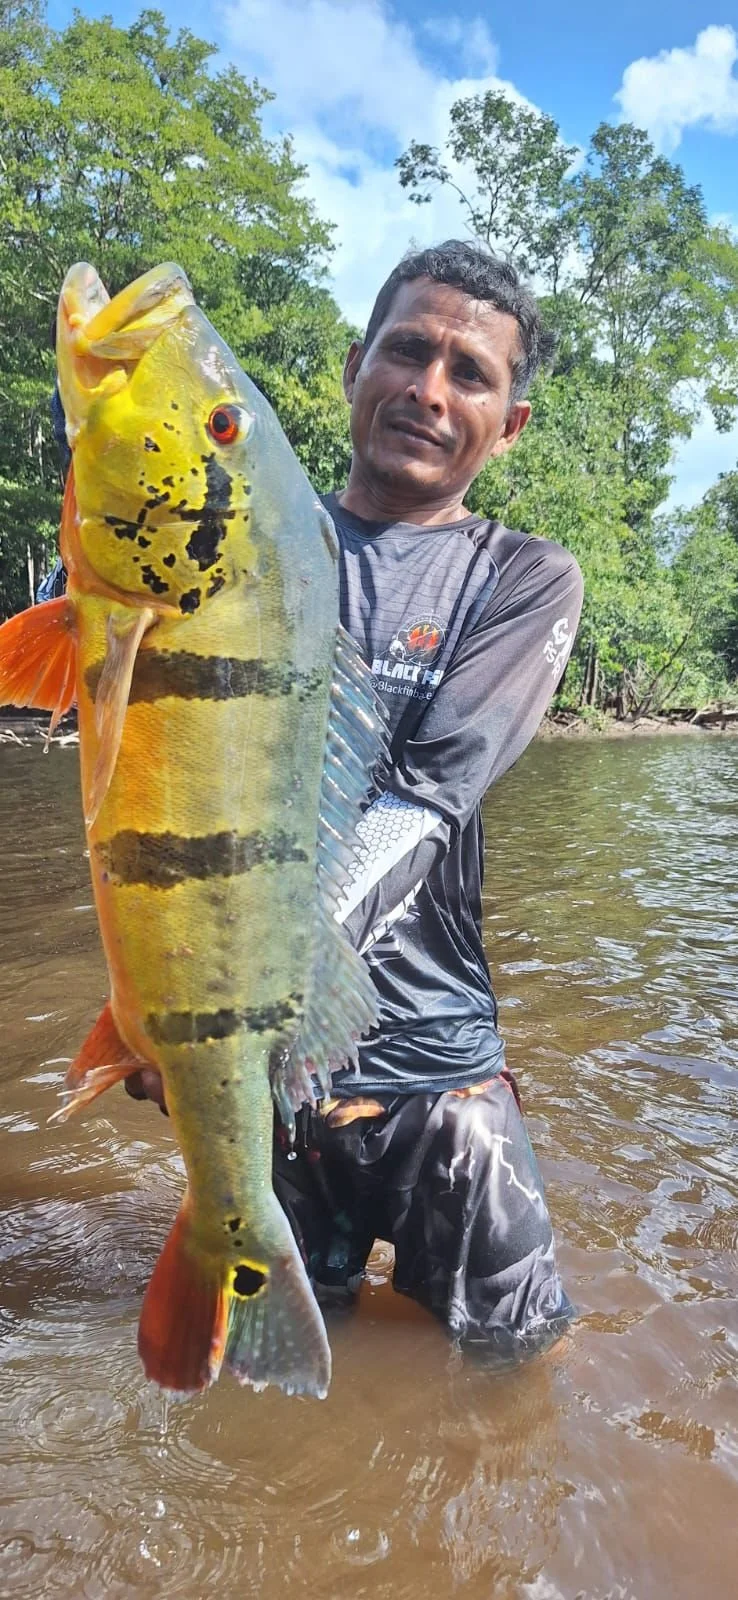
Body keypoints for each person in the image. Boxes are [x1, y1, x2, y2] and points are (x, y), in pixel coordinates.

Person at [52, 240, 584, 1356]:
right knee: (257, 1385)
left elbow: (427, 801)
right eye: (407, 350)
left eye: (471, 373)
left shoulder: (524, 578)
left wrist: (242, 1001)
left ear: (511, 424)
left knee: (516, 1366)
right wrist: (177, 1011)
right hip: (261, 1079)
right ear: (354, 367)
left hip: (435, 1076)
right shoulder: (247, 532)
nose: (429, 389)